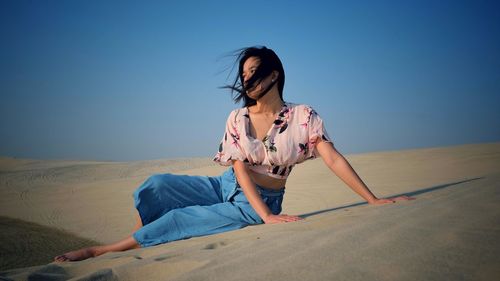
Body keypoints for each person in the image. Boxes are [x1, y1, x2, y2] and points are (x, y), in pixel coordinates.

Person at [54, 46, 413, 262]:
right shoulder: (237, 118)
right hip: (225, 185)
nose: (247, 80)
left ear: (274, 75)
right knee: (157, 185)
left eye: (254, 72)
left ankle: (102, 251)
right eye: (243, 75)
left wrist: (372, 200)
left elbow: (333, 158)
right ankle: (136, 240)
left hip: (259, 202)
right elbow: (238, 168)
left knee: (180, 220)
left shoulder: (304, 117)